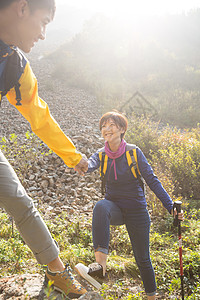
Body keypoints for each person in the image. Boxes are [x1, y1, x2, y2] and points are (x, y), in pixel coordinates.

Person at [0, 0, 88, 298]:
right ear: (22, 8)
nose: (43, 35)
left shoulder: (15, 65)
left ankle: (55, 271)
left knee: (21, 203)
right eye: (45, 22)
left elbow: (40, 116)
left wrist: (73, 156)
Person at [75, 111, 184, 299]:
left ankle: (151, 296)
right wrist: (78, 162)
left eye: (111, 125)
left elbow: (152, 181)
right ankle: (100, 269)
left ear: (122, 129)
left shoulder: (133, 152)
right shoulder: (100, 155)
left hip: (137, 211)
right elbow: (88, 164)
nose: (106, 129)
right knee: (101, 206)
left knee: (142, 259)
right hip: (114, 209)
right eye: (103, 126)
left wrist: (170, 207)